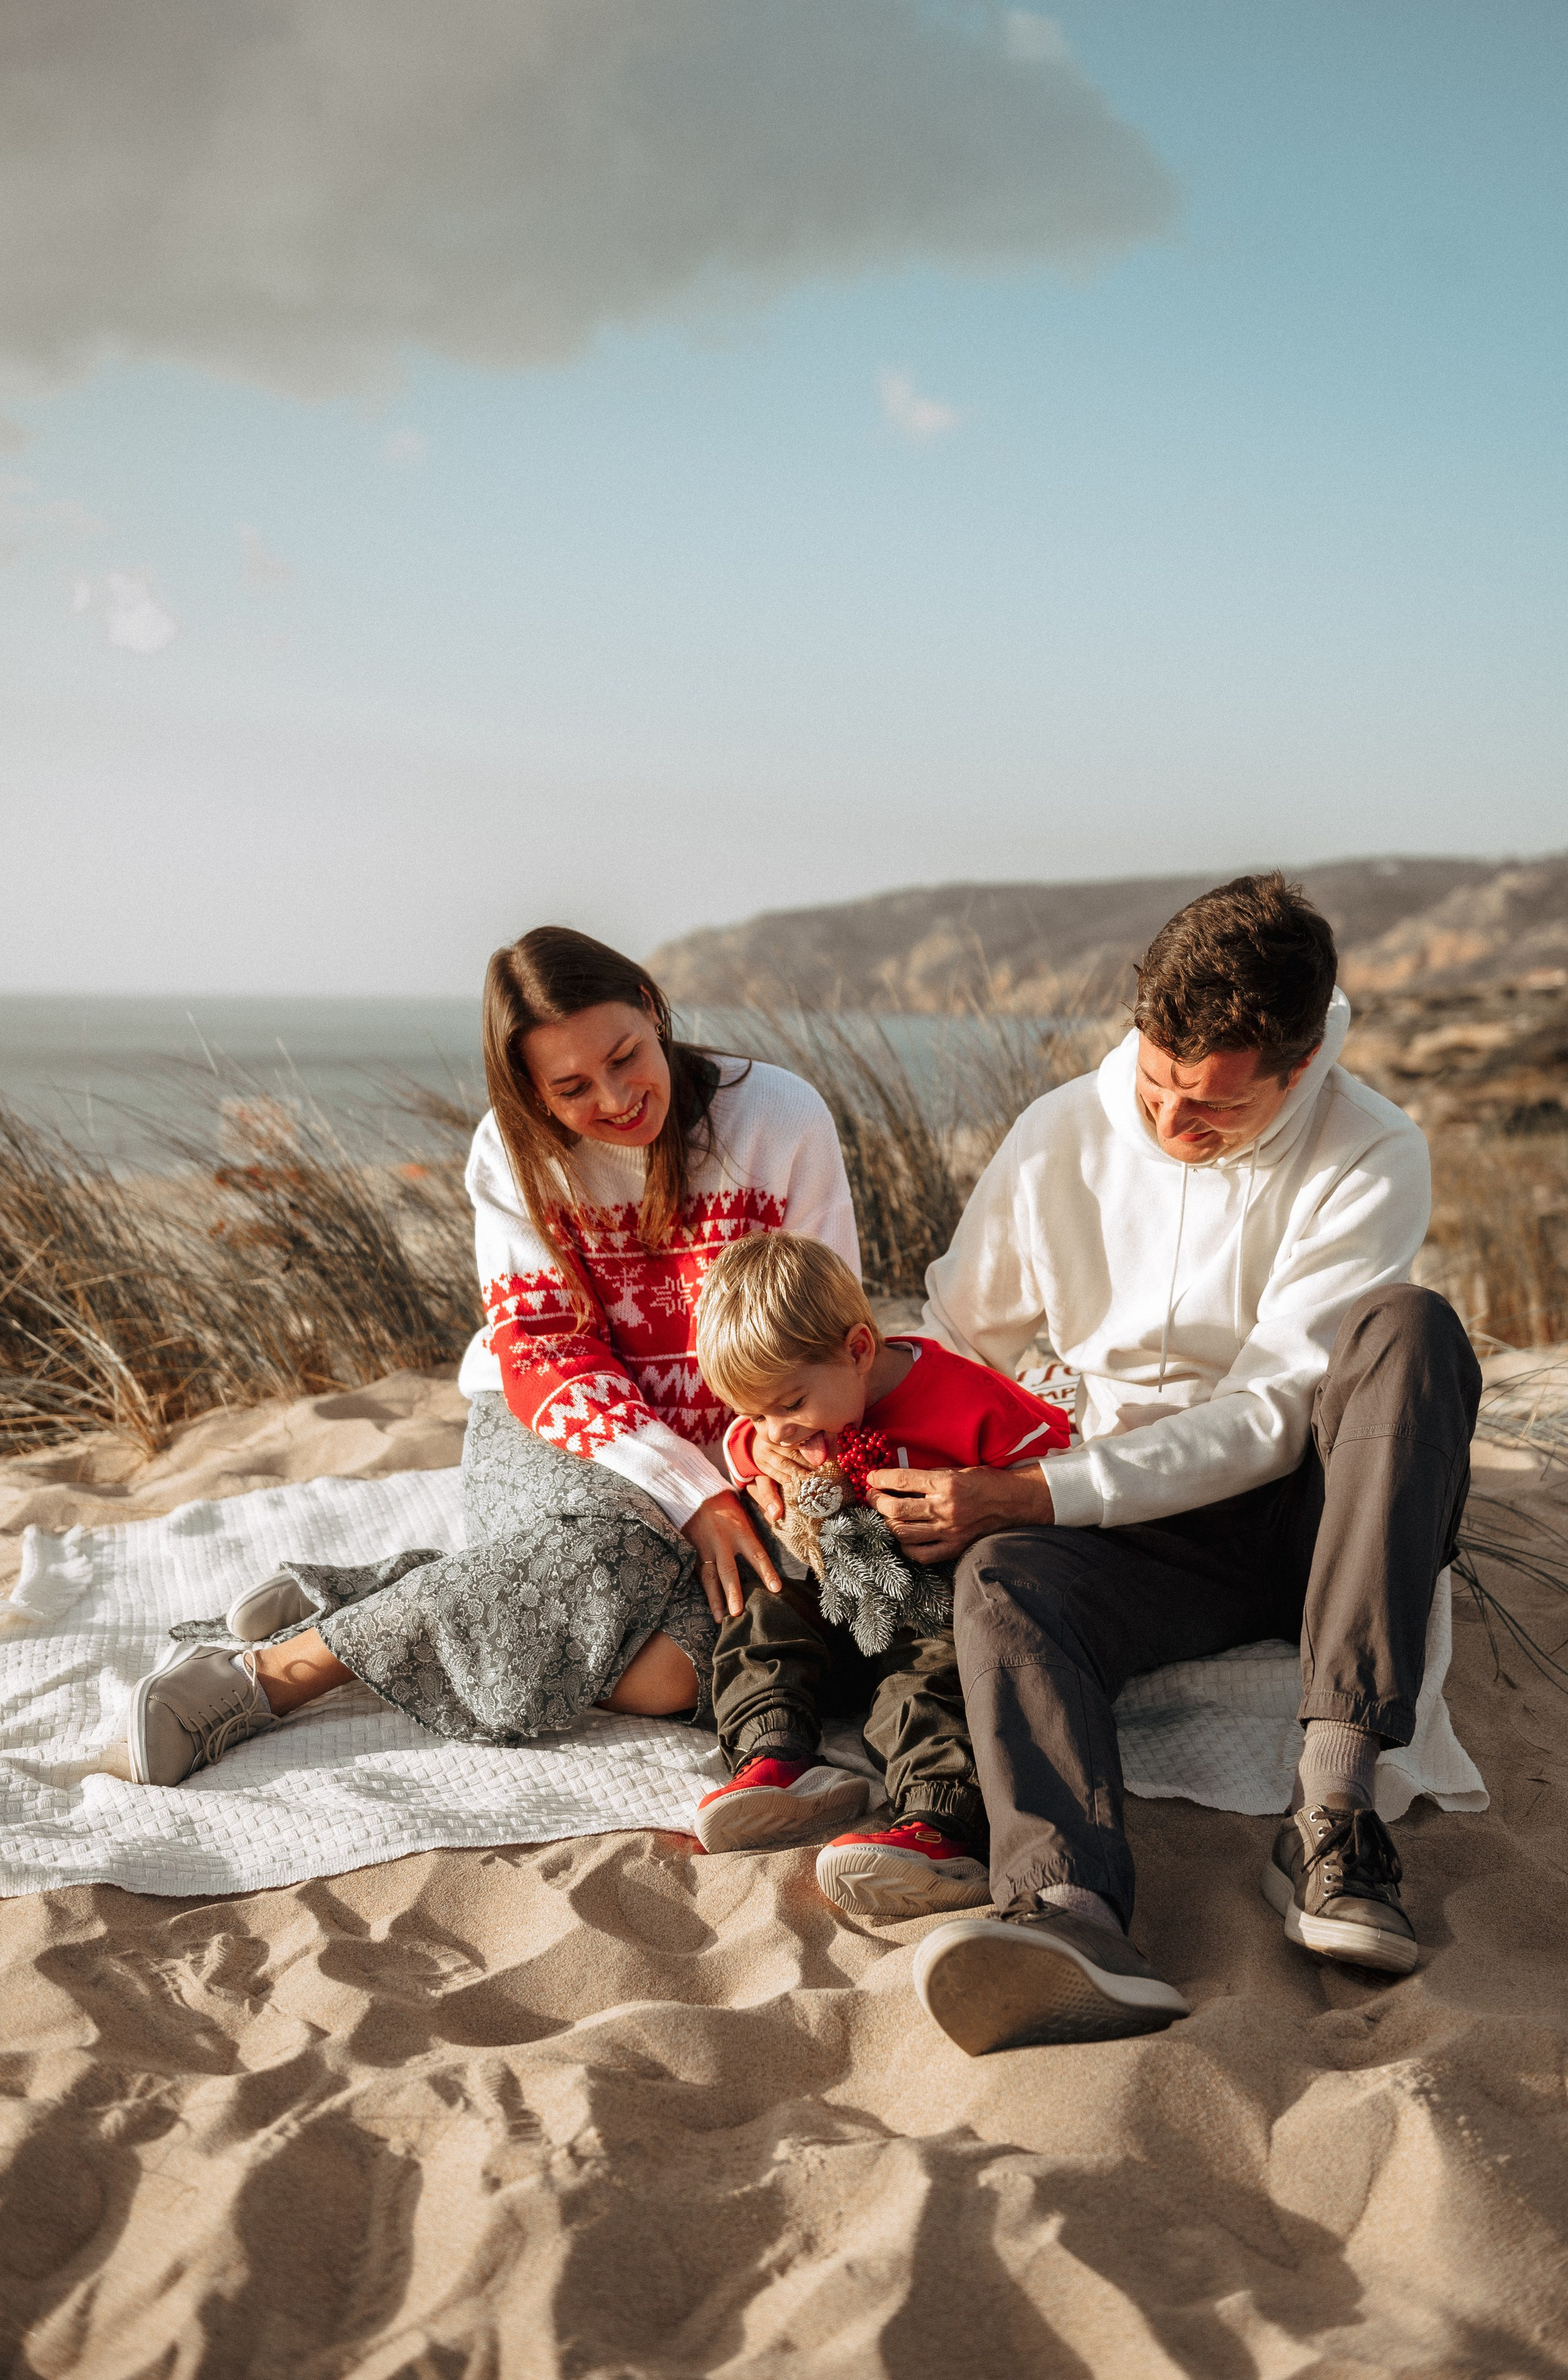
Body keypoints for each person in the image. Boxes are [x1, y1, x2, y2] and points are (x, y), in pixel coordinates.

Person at [853, 874, 1481, 2056]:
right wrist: (837, 1412)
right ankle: (1070, 1910)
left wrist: (1043, 1487)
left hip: (1316, 1509)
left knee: (1412, 1329)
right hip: (1139, 1523)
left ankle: (1332, 1820)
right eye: (1156, 1085)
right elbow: (953, 1334)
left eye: (1213, 1111)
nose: (1172, 1126)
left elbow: (1270, 1414)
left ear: (1297, 1070)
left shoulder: (1372, 1149)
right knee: (1001, 1573)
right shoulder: (1059, 1134)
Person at [127, 928, 857, 1787]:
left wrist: (744, 1470)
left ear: (656, 1014)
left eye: (626, 1056)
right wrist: (688, 1492)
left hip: (743, 1450)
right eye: (573, 1087)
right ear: (532, 1092)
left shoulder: (778, 1117)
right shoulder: (512, 1154)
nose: (618, 1098)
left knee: (666, 1677)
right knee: (602, 1552)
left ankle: (402, 1589)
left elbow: (811, 1324)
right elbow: (545, 1352)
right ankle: (263, 1678)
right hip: (567, 1434)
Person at [688, 1232, 1074, 1921]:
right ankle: (777, 1754)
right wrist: (753, 1453)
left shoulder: (963, 1397)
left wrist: (988, 1499)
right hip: (843, 1596)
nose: (776, 1429)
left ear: (859, 1349)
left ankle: (938, 1822)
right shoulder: (784, 1423)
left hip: (932, 1602)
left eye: (788, 1403)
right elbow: (742, 1443)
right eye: (756, 1412)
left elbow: (1051, 1471)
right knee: (763, 1612)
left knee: (929, 1677)